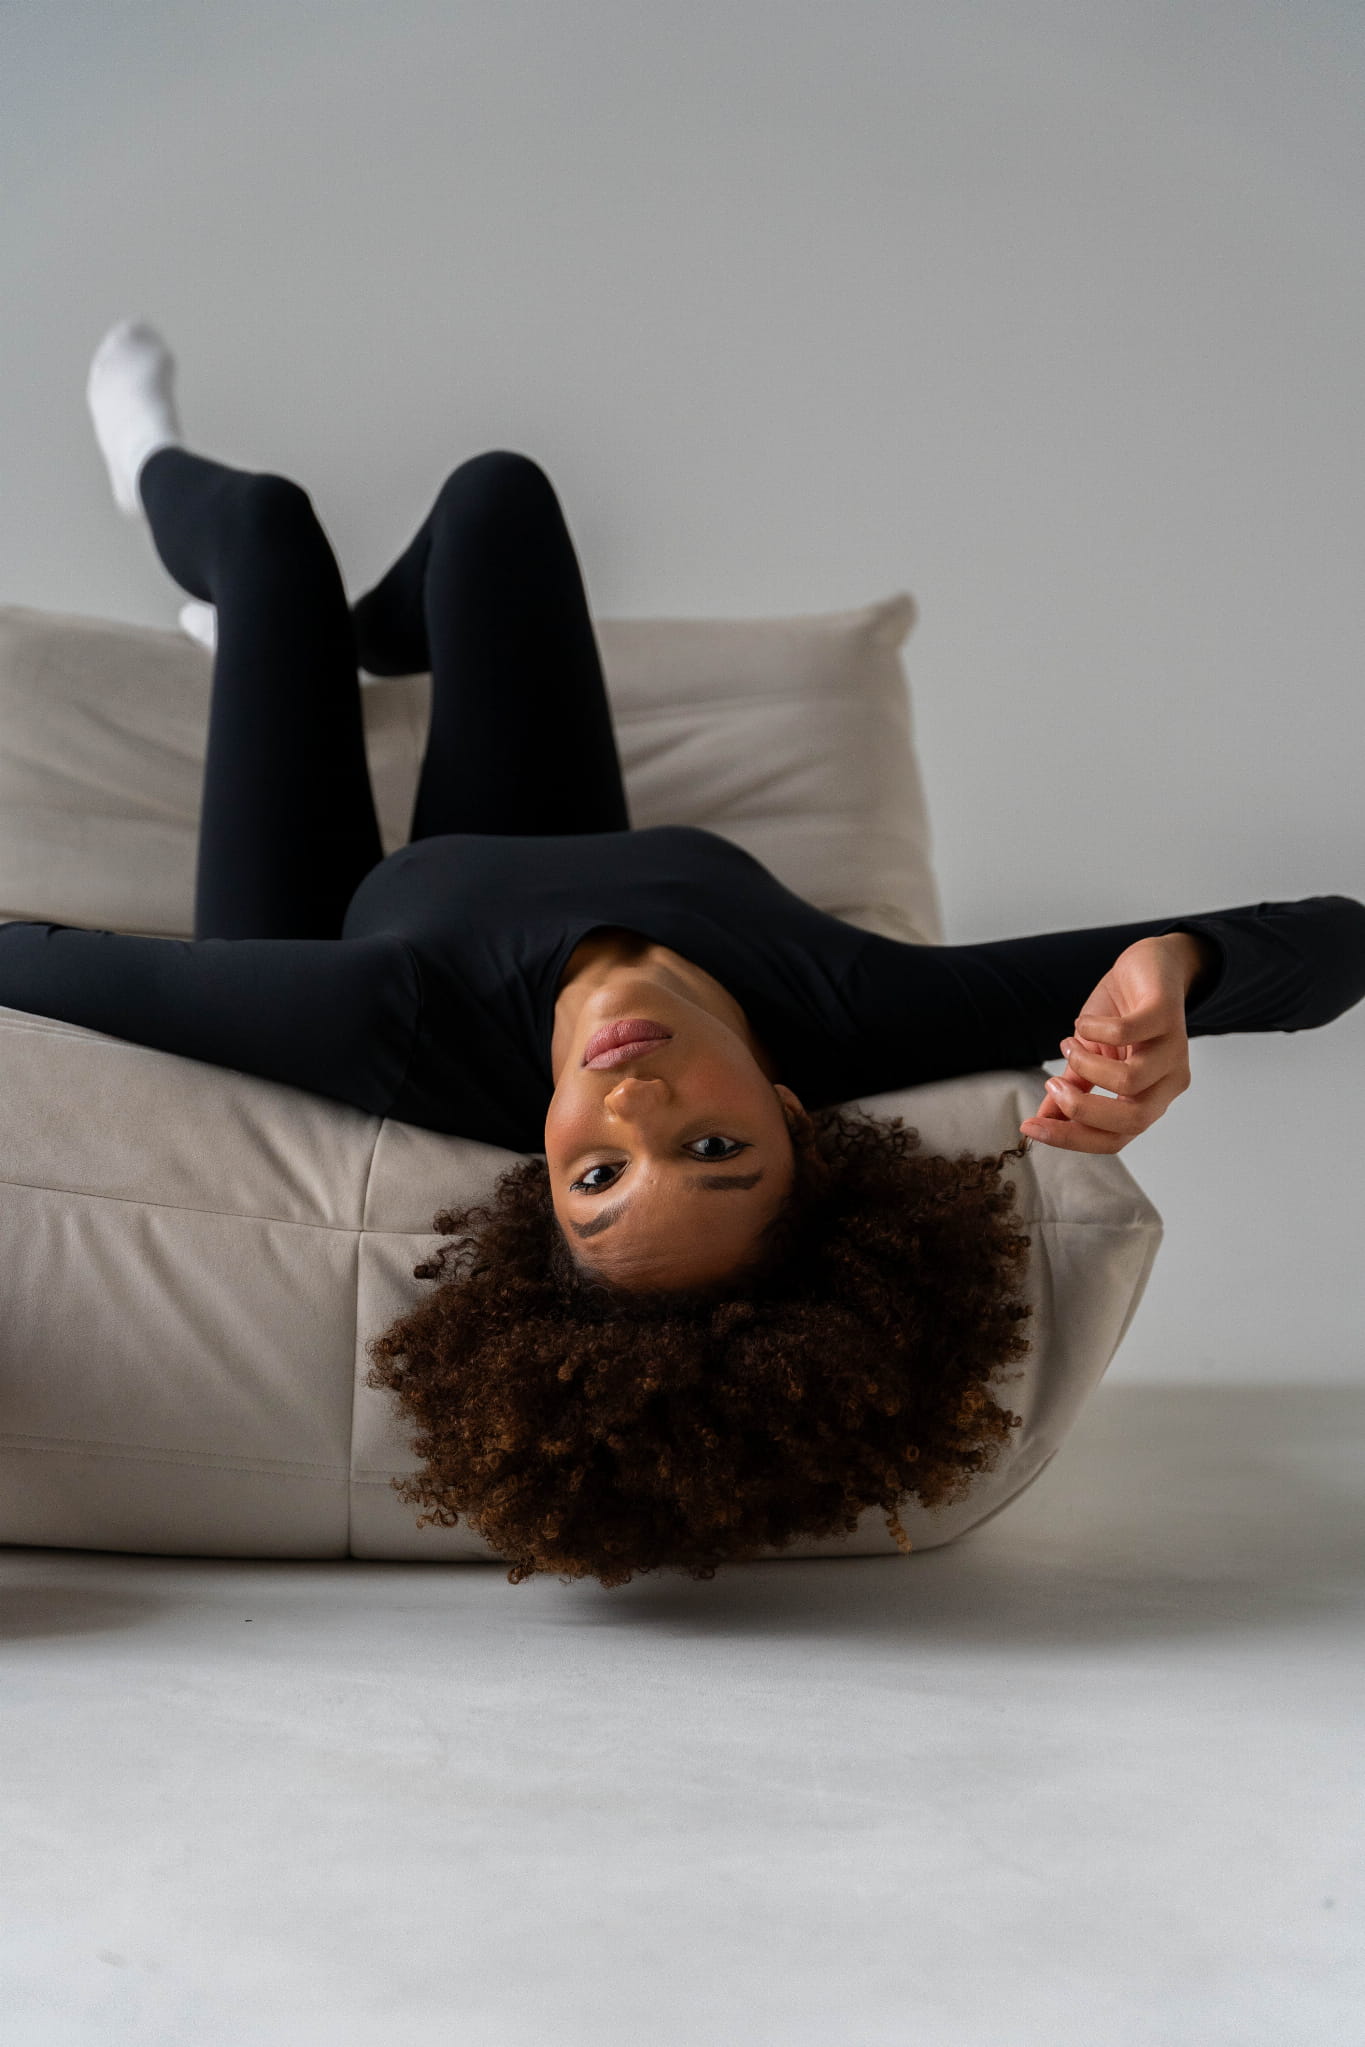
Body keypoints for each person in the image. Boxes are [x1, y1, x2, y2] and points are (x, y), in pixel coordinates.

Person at [5, 317, 1361, 1588]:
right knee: (497, 498)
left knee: (267, 539)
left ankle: (159, 480)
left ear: (541, 1169)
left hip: (332, 913)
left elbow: (40, 958)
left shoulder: (385, 1018)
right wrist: (1179, 963)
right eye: (716, 1149)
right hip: (542, 842)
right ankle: (371, 638)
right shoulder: (862, 1011)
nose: (635, 1103)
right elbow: (1340, 948)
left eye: (596, 1175)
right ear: (795, 1115)